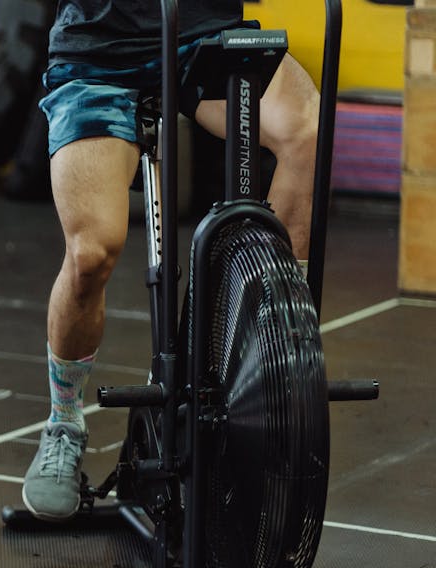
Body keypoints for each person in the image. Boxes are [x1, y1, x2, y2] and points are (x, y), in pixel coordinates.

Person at [24, 1, 319, 520]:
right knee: (90, 255)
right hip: (99, 56)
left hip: (206, 36)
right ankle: (63, 424)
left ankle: (276, 335)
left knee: (308, 133)